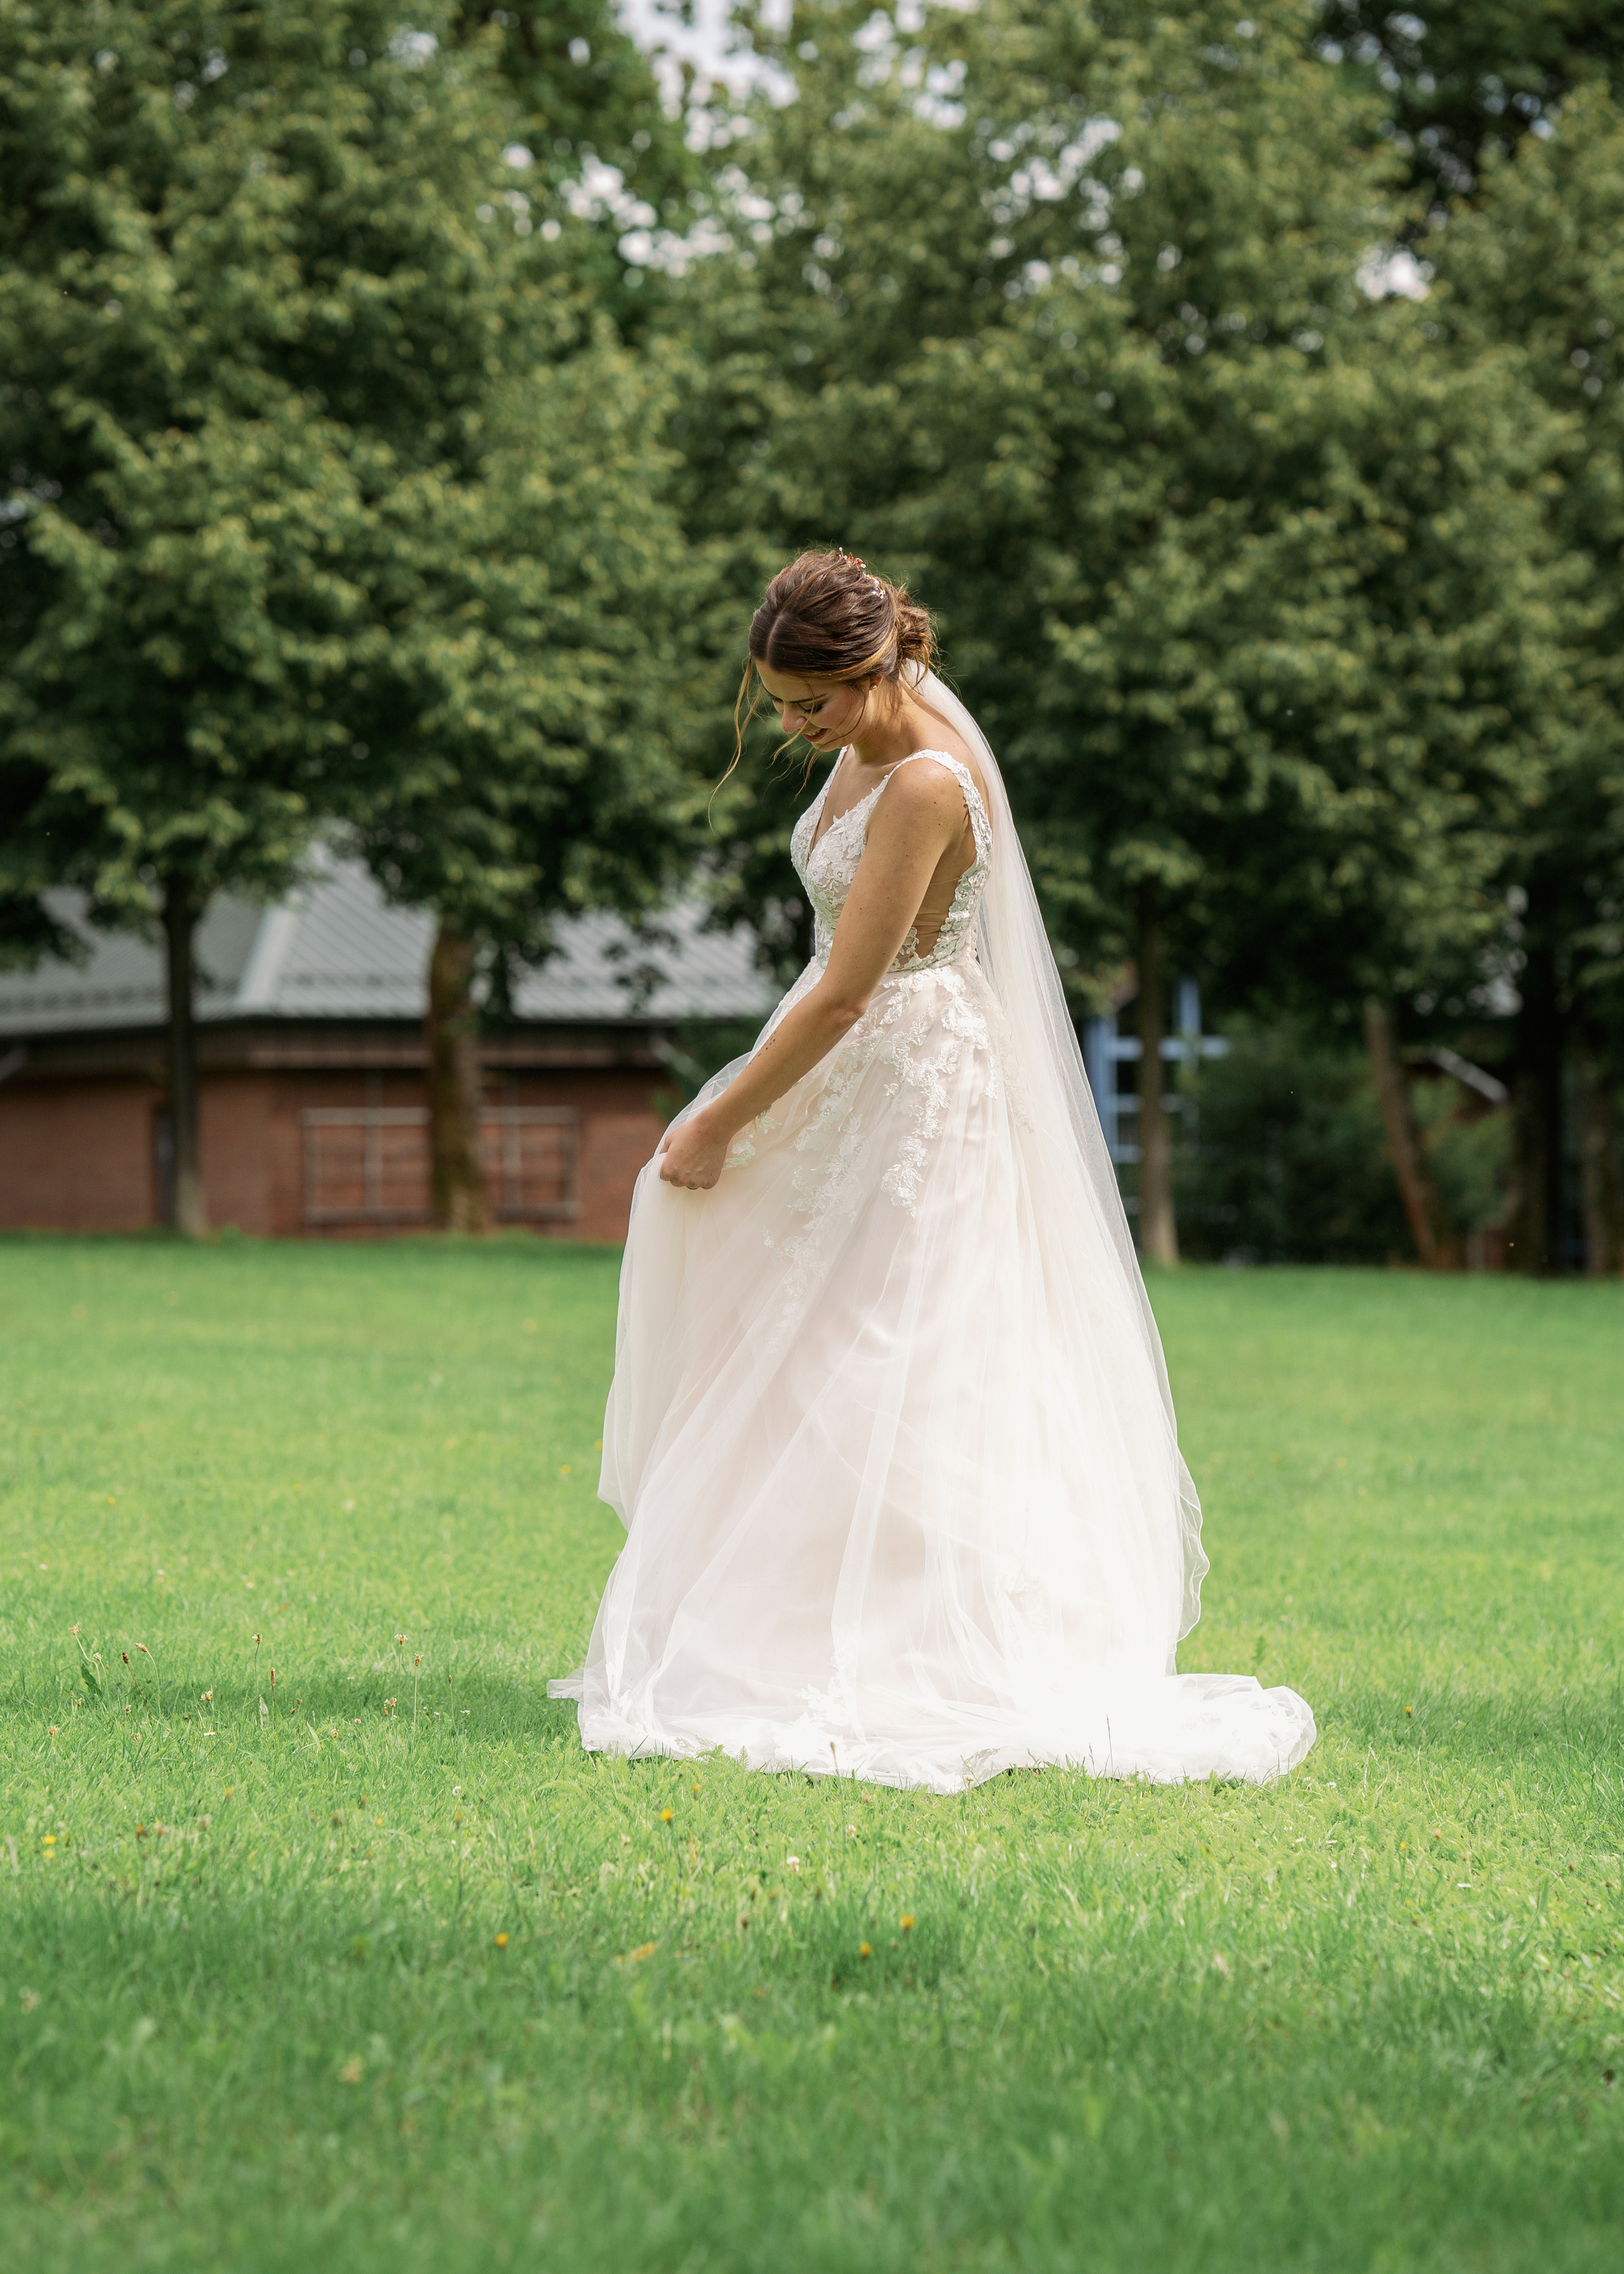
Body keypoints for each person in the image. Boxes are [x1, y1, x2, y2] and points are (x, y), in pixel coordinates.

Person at [549, 551, 1315, 1791]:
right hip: (849, 1061)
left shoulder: (925, 782)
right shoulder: (861, 750)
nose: (797, 730)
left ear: (876, 667)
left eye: (813, 704)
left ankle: (922, 1644)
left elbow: (852, 988)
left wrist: (715, 1118)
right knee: (787, 1332)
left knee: (887, 1345)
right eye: (781, 705)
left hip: (908, 1077)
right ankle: (780, 1617)